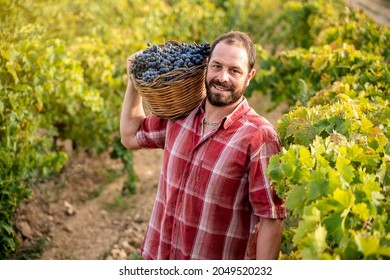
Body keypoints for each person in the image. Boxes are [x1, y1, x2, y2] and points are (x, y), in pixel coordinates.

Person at [120, 31, 285, 260]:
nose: (223, 77)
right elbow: (130, 136)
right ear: (206, 65)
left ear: (249, 77)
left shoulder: (258, 137)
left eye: (234, 70)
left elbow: (271, 217)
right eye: (217, 66)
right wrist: (133, 79)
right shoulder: (180, 114)